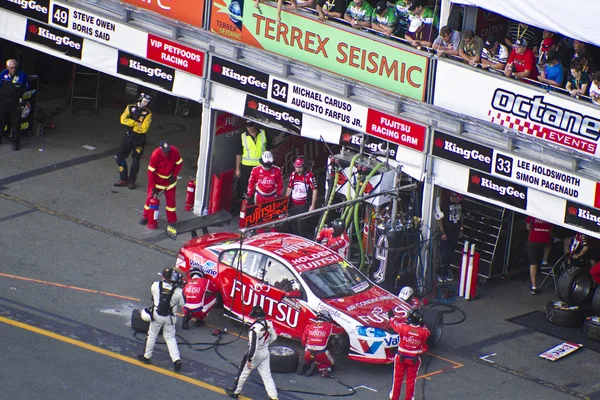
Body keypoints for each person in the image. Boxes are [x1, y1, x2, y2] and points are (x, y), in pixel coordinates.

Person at [226, 306, 278, 400]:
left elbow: (253, 346)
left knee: (243, 373)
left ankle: (235, 392)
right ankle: (274, 398)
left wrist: (250, 359)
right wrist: (266, 344)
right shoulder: (269, 323)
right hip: (265, 352)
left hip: (255, 354)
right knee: (267, 376)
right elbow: (274, 337)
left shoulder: (254, 329)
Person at [138, 267, 185, 371]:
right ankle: (176, 359)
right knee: (170, 338)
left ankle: (146, 356)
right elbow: (183, 303)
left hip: (156, 315)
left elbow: (153, 297)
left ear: (163, 276)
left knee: (152, 335)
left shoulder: (155, 285)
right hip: (169, 318)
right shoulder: (178, 291)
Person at [388, 307, 430, 400]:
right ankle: (409, 398)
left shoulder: (403, 327)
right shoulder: (424, 332)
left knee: (397, 380)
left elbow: (394, 324)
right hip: (414, 359)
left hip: (401, 358)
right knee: (411, 381)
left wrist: (391, 317)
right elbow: (427, 333)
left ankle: (395, 397)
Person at [114, 93, 154, 190]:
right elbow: (122, 119)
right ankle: (124, 179)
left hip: (139, 139)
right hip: (128, 136)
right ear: (140, 99)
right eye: (144, 101)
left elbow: (144, 129)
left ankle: (132, 181)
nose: (146, 104)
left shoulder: (148, 114)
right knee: (119, 158)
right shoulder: (130, 107)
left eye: (147, 102)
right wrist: (136, 123)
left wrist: (130, 123)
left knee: (135, 161)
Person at [140, 140, 183, 226]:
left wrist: (174, 175)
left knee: (171, 202)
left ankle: (172, 220)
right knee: (150, 198)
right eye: (164, 152)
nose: (166, 154)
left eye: (167, 152)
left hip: (169, 181)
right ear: (160, 149)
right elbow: (151, 172)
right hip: (157, 181)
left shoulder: (174, 151)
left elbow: (179, 163)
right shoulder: (155, 155)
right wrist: (153, 187)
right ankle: (145, 216)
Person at [236, 121, 271, 201]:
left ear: (254, 124)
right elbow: (238, 153)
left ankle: (258, 201)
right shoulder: (242, 136)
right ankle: (247, 202)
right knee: (246, 186)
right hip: (246, 166)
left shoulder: (263, 133)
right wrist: (237, 169)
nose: (249, 128)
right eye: (247, 126)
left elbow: (270, 149)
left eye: (251, 126)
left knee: (261, 185)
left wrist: (269, 164)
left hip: (261, 165)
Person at [0, 59, 29, 151]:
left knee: (16, 122)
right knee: (1, 119)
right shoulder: (2, 74)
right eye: (11, 68)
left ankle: (15, 142)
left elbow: (26, 87)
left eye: (15, 67)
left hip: (15, 101)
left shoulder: (22, 75)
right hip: (4, 100)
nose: (13, 69)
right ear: (7, 67)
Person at [297, 310, 335, 378]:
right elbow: (342, 330)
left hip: (309, 352)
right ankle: (318, 367)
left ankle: (306, 362)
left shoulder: (309, 326)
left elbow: (303, 340)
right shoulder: (330, 326)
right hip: (321, 353)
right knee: (331, 365)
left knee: (308, 357)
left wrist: (305, 350)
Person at [285, 157, 317, 238]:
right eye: (296, 167)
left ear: (304, 166)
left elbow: (315, 190)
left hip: (303, 205)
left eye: (300, 167)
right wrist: (285, 203)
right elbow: (289, 188)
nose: (298, 169)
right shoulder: (293, 175)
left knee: (302, 226)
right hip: (293, 204)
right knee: (293, 223)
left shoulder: (309, 176)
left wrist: (313, 206)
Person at [436, 191, 463, 283]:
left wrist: (461, 229)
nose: (459, 201)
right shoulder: (445, 204)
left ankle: (446, 273)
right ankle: (441, 274)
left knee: (451, 254)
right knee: (445, 254)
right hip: (446, 233)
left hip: (455, 233)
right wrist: (442, 232)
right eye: (458, 199)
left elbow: (461, 216)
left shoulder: (459, 204)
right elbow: (439, 219)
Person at [525, 216, 552, 295]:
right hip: (545, 240)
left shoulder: (532, 213)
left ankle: (534, 287)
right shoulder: (550, 214)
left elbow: (527, 227)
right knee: (549, 245)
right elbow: (551, 229)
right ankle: (544, 261)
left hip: (533, 240)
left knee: (533, 264)